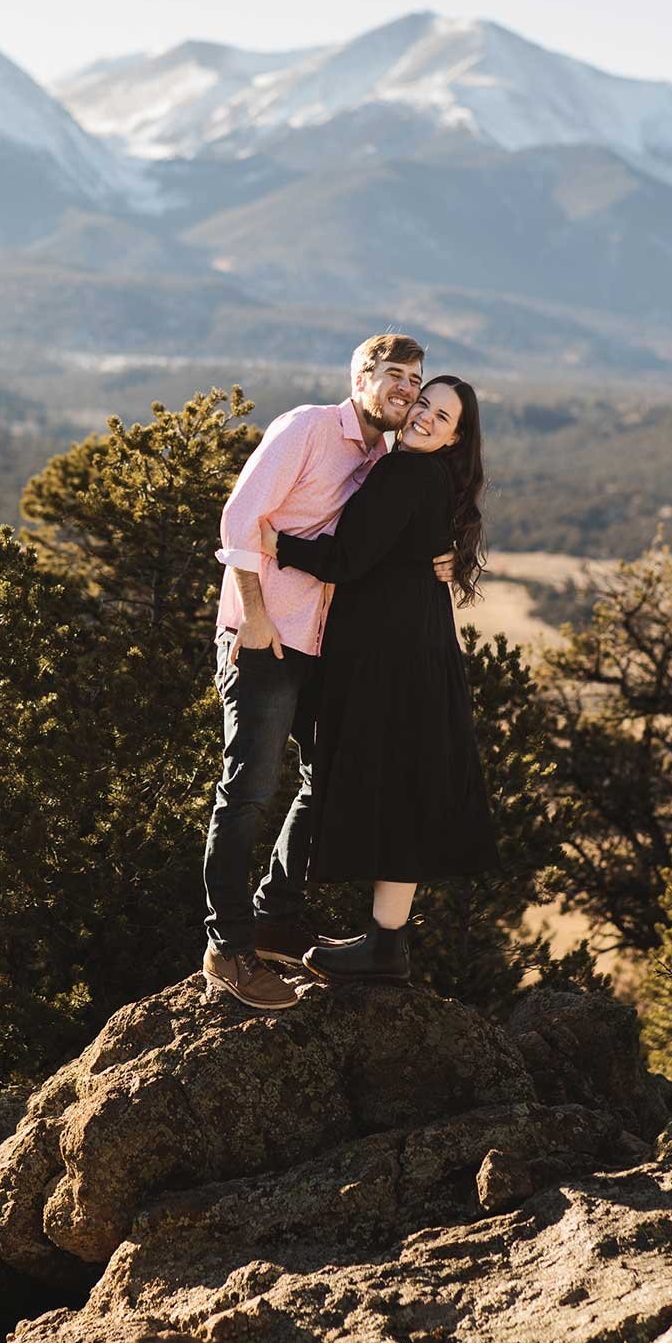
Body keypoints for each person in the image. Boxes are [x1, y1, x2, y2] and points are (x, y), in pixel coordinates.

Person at [198, 333, 431, 1011]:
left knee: (327, 775)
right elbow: (241, 518)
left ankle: (275, 914)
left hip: (322, 647)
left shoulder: (381, 457)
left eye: (415, 378)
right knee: (248, 788)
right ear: (360, 376)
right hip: (264, 636)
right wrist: (256, 614)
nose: (405, 388)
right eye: (392, 374)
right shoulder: (305, 427)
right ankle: (227, 948)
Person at [265, 375, 496, 984]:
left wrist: (276, 543)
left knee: (394, 789)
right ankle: (382, 940)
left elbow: (346, 561)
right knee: (404, 787)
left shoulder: (405, 473)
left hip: (391, 656)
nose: (424, 416)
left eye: (441, 416)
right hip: (412, 647)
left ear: (455, 437)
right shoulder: (428, 476)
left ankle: (380, 947)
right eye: (424, 403)